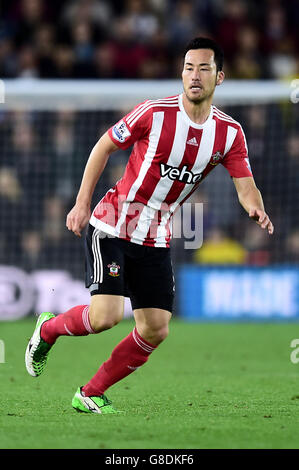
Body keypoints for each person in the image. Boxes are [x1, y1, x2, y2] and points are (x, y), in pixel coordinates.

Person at [25, 37, 274, 414]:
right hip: (111, 225)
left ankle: (89, 393)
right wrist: (80, 203)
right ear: (181, 73)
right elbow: (102, 147)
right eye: (189, 67)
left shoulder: (229, 133)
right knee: (105, 317)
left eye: (204, 68)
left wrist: (256, 208)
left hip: (156, 237)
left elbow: (246, 185)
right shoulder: (154, 113)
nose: (195, 75)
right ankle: (47, 330)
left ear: (219, 77)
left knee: (156, 328)